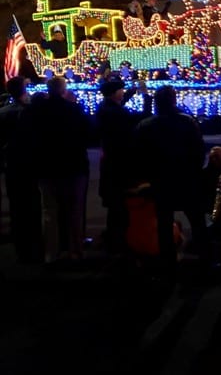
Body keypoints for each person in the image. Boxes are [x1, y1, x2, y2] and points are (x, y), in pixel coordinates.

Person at [134, 86, 208, 278]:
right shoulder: (188, 122)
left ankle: (168, 263)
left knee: (164, 223)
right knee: (197, 220)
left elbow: (140, 157)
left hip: (161, 181)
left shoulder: (146, 125)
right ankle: (205, 260)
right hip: (187, 179)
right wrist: (194, 171)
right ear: (174, 100)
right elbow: (199, 152)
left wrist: (149, 177)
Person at [23, 76, 91, 263]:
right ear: (63, 90)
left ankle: (51, 253)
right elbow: (89, 134)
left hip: (45, 166)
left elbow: (28, 138)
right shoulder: (74, 109)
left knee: (50, 211)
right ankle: (75, 251)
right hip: (73, 166)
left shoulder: (34, 111)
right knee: (74, 210)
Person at [95, 78, 152, 254]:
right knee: (120, 203)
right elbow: (141, 117)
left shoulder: (106, 107)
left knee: (114, 203)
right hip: (119, 162)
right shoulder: (116, 113)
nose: (123, 92)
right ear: (114, 93)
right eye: (121, 90)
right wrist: (146, 97)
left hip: (110, 159)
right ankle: (120, 241)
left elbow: (120, 104)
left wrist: (131, 92)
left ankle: (114, 237)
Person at [0, 77, 42, 263]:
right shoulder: (29, 112)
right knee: (32, 204)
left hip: (12, 164)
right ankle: (34, 244)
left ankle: (21, 245)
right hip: (29, 163)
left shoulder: (3, 113)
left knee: (16, 205)